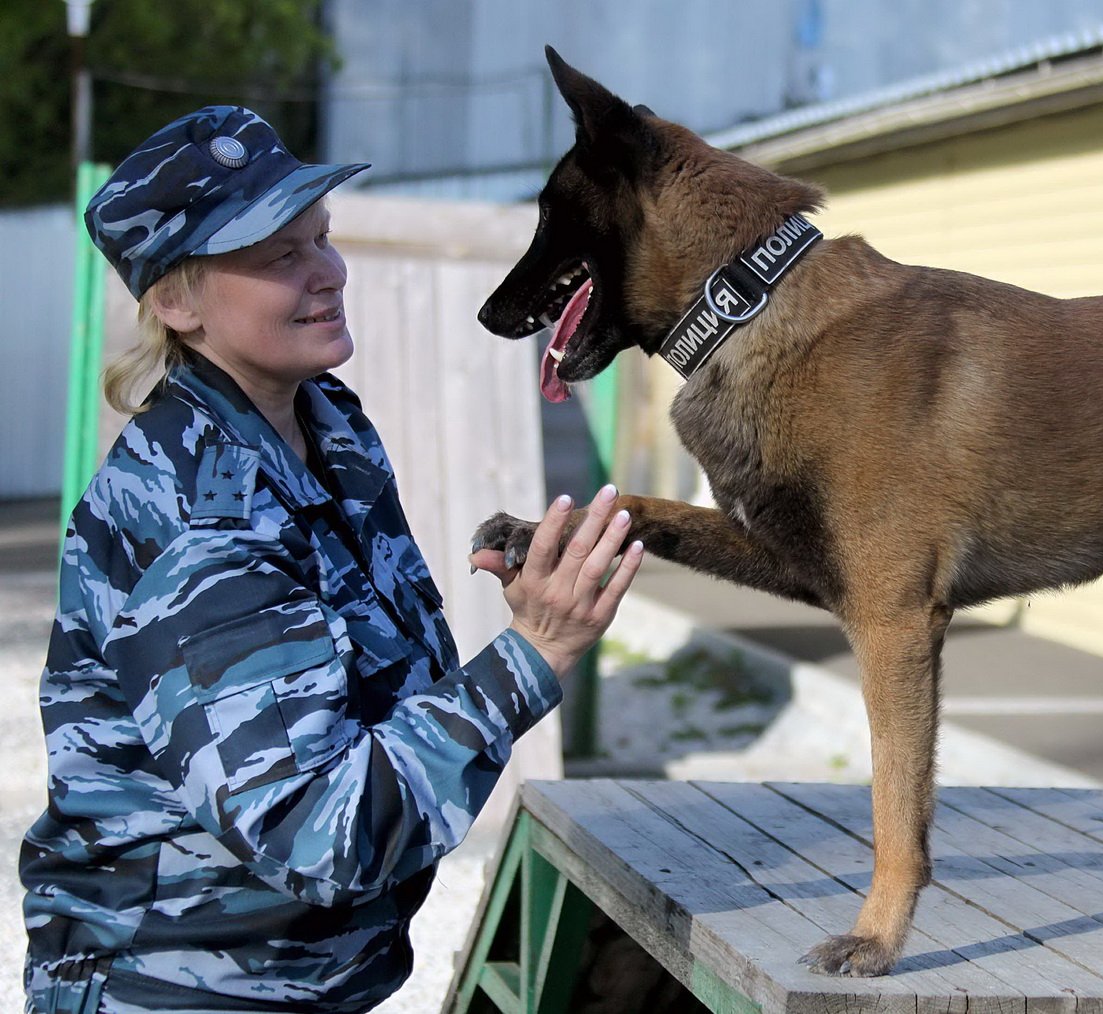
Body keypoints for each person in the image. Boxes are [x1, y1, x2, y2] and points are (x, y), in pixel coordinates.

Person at [19, 105, 641, 1014]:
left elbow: (351, 701)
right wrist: (532, 657)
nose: (328, 273)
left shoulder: (322, 421)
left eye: (323, 237)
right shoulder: (198, 513)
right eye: (279, 257)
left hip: (300, 983)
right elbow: (321, 833)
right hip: (174, 989)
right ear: (176, 302)